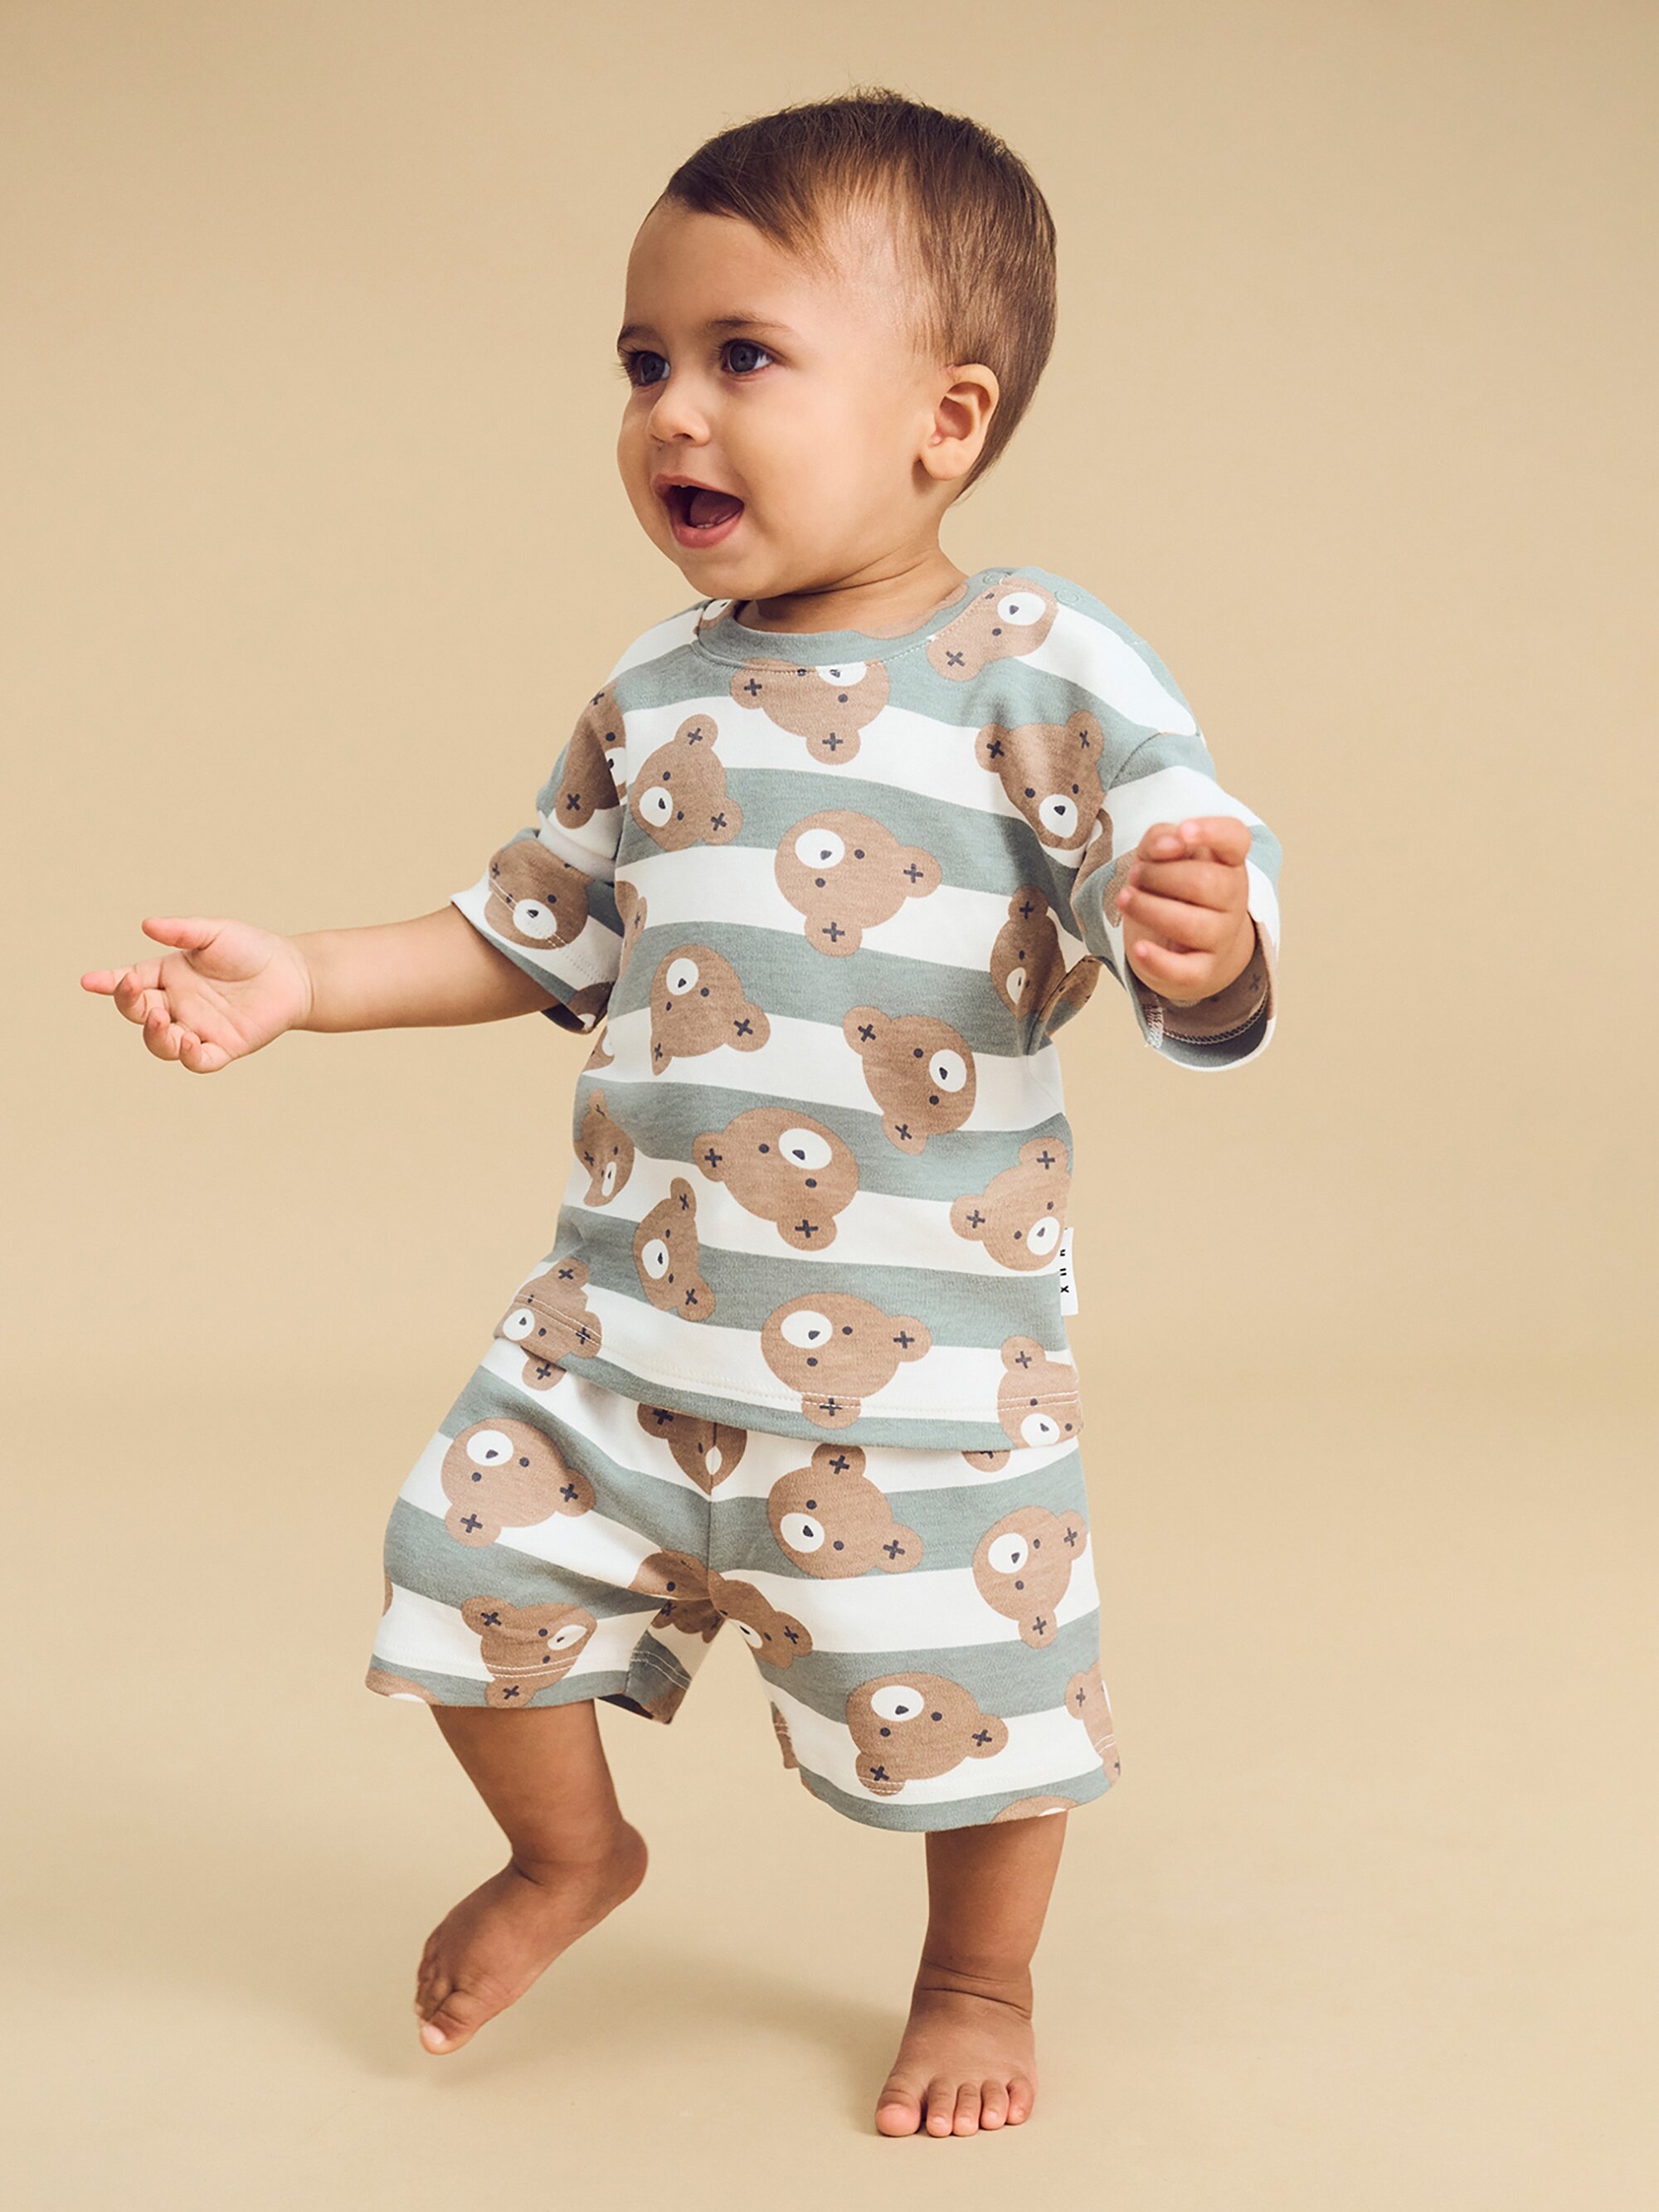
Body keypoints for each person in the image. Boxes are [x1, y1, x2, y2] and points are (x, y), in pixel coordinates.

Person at [80, 85, 1282, 2137]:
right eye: (643, 361)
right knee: (458, 1561)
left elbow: (1184, 881)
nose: (671, 412)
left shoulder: (1037, 666)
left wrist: (1211, 946)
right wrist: (307, 974)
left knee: (982, 1702)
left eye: (743, 357)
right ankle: (572, 1854)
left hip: (919, 1378)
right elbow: (522, 928)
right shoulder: (655, 692)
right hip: (622, 1338)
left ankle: (975, 1975)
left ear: (947, 420)